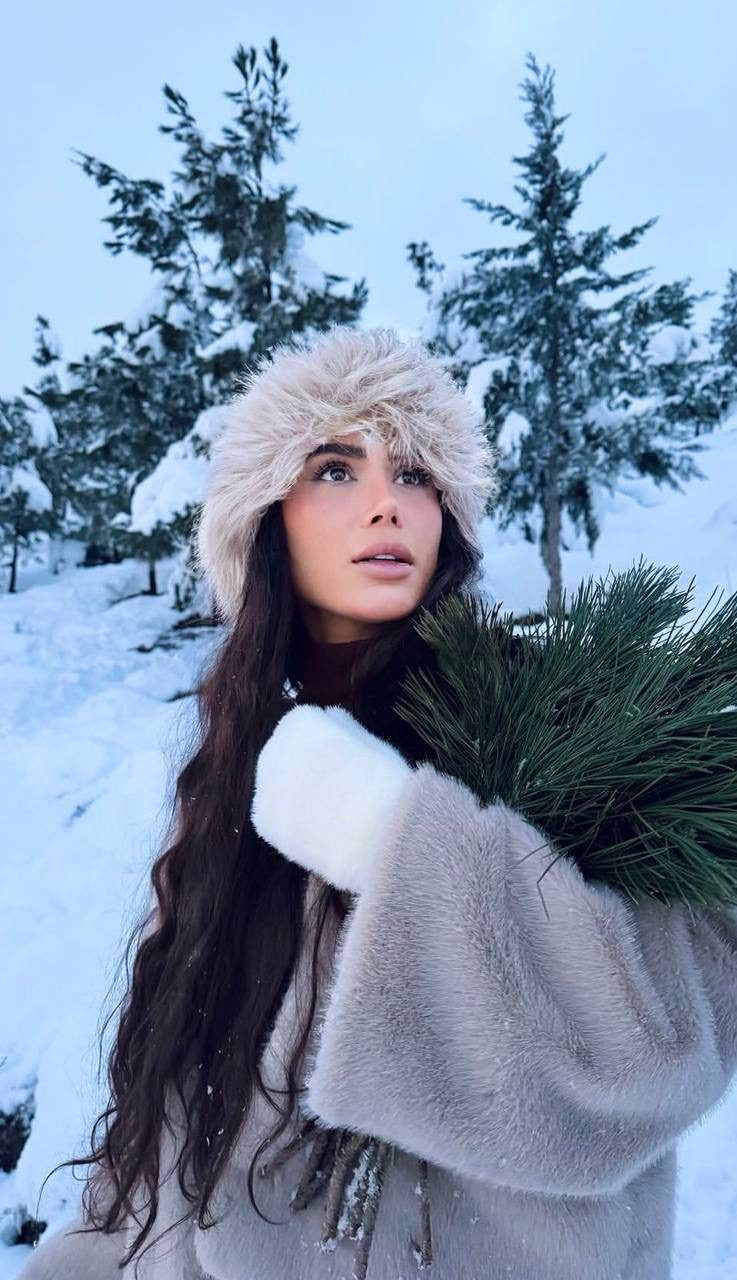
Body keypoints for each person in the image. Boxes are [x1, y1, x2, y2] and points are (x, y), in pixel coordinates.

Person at [19, 326, 737, 1280]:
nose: (386, 503)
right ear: (265, 521)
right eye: (333, 469)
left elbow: (664, 1050)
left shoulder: (565, 721)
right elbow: (170, 1144)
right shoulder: (239, 770)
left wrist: (391, 842)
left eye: (414, 473)